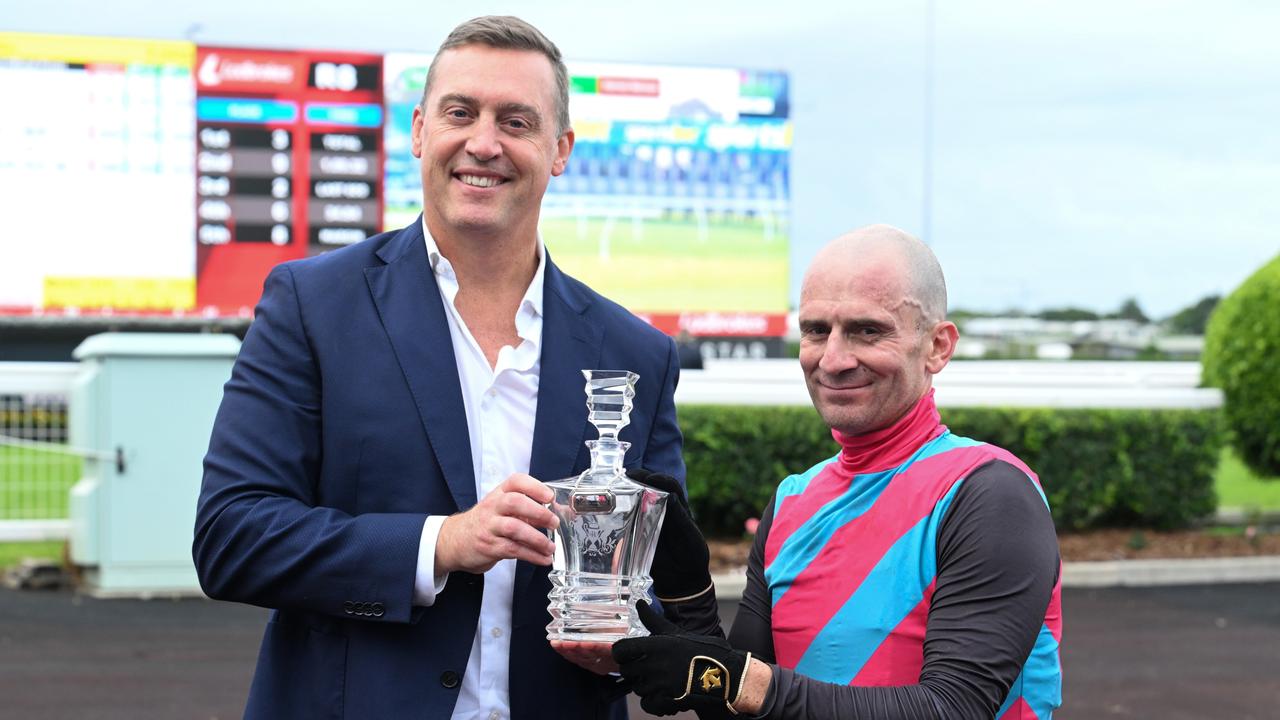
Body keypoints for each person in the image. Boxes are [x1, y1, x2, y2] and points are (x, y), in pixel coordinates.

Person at [192, 16, 686, 719]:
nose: (484, 143)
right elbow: (231, 537)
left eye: (517, 121)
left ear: (560, 150)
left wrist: (628, 630)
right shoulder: (313, 305)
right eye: (462, 113)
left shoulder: (636, 354)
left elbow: (664, 582)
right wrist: (441, 543)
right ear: (421, 129)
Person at [612, 225, 1063, 719]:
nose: (834, 359)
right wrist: (689, 592)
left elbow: (952, 708)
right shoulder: (793, 500)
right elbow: (742, 708)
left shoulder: (990, 492)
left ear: (937, 346)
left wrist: (737, 680)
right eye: (816, 330)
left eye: (868, 330)